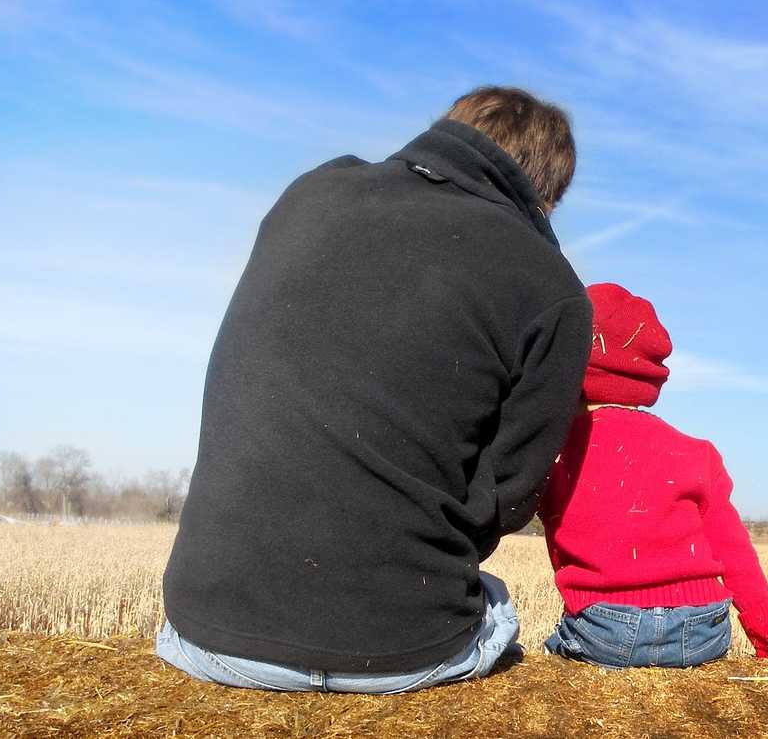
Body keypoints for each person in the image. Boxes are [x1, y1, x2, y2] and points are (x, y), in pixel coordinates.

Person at [157, 87, 592, 693]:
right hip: (401, 649)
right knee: (496, 603)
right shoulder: (554, 289)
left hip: (203, 633)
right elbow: (509, 498)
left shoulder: (311, 192)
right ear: (546, 194)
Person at [539, 283, 768, 668]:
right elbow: (733, 550)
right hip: (705, 628)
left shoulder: (555, 452)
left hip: (607, 628)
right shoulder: (696, 453)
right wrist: (766, 628)